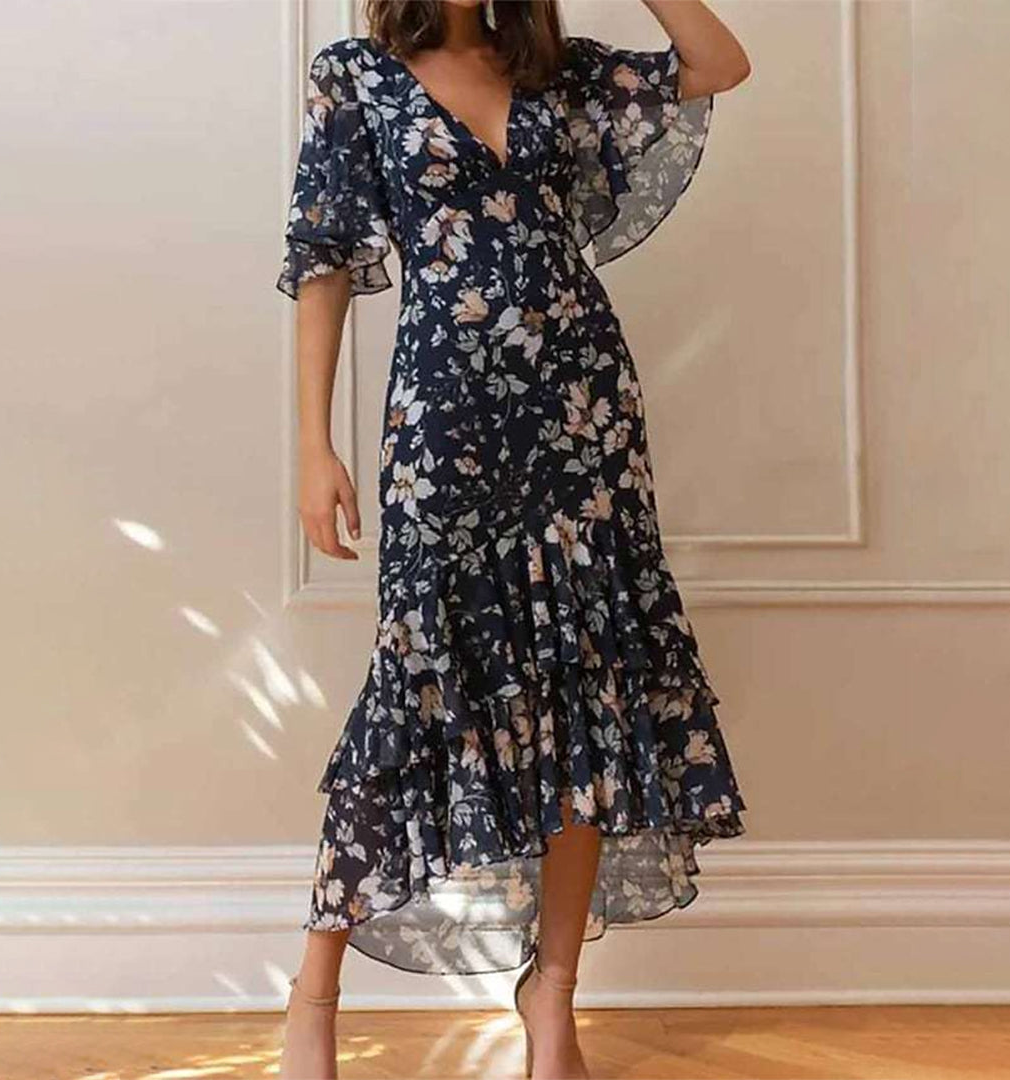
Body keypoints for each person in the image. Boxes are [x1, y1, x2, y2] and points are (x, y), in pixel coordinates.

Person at [276, 1, 751, 1077]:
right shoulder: (357, 75)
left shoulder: (556, 70)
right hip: (445, 423)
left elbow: (719, 62)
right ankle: (313, 994)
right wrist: (313, 444)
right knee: (415, 679)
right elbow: (322, 260)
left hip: (583, 415)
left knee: (591, 683)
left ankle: (553, 998)